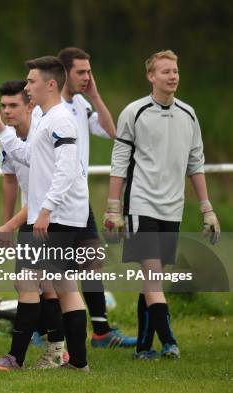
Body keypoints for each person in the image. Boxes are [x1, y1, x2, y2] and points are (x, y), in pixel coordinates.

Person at [103, 49, 220, 360]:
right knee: (153, 276)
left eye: (175, 71)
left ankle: (143, 348)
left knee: (151, 281)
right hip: (141, 205)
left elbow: (196, 164)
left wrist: (207, 209)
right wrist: (113, 208)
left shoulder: (189, 114)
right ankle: (169, 341)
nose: (172, 76)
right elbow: (119, 161)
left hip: (173, 208)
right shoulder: (134, 112)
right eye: (165, 71)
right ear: (151, 76)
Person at [0, 56, 90, 372]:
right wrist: (1, 129)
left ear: (50, 84)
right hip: (52, 216)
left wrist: (46, 210)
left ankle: (24, 359)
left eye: (31, 81)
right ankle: (72, 361)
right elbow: (27, 156)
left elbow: (67, 170)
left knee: (49, 286)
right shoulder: (45, 117)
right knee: (48, 285)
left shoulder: (62, 120)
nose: (27, 86)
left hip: (59, 216)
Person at [55, 47, 136, 348]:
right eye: (81, 72)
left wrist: (95, 97)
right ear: (64, 73)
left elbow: (112, 131)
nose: (87, 77)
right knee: (53, 269)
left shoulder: (80, 104)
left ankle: (101, 331)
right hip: (54, 202)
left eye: (89, 71)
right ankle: (45, 329)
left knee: (91, 261)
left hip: (80, 200)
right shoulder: (48, 109)